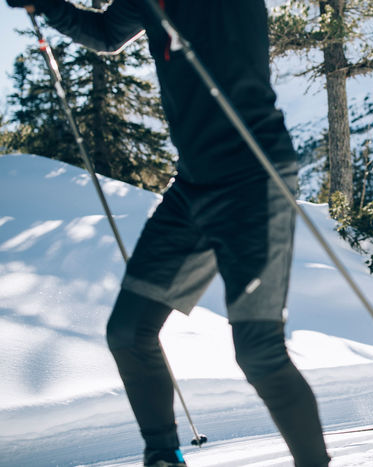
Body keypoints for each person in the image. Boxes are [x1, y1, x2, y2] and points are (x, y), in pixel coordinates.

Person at [6, 1, 331, 466]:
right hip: (193, 187)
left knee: (258, 352)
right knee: (127, 332)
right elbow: (104, 34)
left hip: (254, 177)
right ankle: (163, 456)